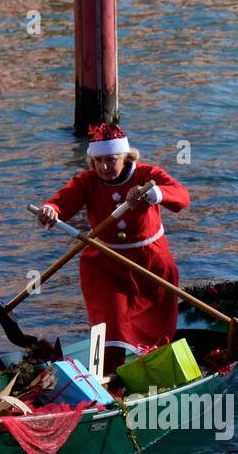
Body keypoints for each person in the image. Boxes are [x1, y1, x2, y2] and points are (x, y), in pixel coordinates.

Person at [37, 123, 190, 373]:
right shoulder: (87, 181)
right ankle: (106, 376)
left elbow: (182, 197)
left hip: (150, 262)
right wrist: (51, 210)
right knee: (110, 321)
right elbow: (63, 200)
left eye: (111, 159)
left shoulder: (147, 175)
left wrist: (152, 194)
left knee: (157, 325)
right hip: (105, 264)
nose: (104, 167)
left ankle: (156, 370)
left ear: (127, 156)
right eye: (98, 161)